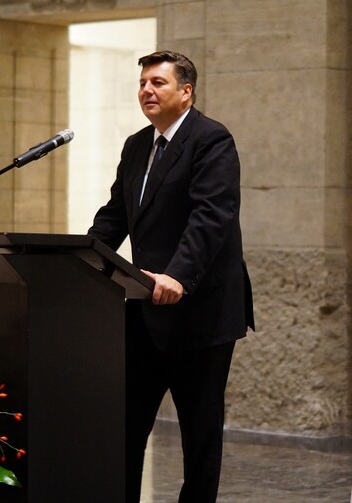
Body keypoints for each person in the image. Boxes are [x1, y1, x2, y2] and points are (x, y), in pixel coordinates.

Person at [87, 50, 254, 502]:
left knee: (198, 434)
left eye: (158, 83)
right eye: (142, 83)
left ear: (186, 91)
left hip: (200, 310)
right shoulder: (137, 144)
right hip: (143, 307)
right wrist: (81, 258)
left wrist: (177, 275)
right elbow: (115, 215)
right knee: (125, 425)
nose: (146, 90)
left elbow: (211, 217)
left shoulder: (211, 139)